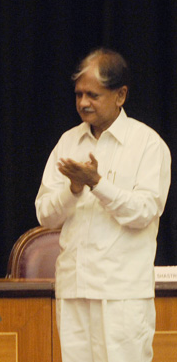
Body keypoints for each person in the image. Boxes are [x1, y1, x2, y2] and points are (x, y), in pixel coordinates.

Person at [35, 49, 171, 362]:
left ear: (120, 95)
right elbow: (45, 215)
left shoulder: (147, 144)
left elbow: (145, 212)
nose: (83, 103)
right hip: (74, 288)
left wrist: (98, 184)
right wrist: (73, 188)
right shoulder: (68, 142)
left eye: (93, 95)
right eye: (79, 94)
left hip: (121, 294)